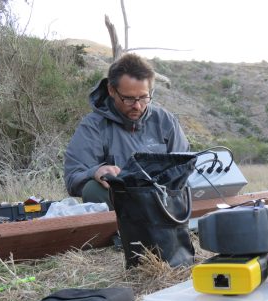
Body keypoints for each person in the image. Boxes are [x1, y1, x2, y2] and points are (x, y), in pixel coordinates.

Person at [64, 53, 190, 209]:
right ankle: (117, 233)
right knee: (93, 188)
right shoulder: (93, 126)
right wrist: (95, 171)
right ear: (111, 90)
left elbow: (187, 168)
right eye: (129, 98)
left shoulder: (165, 121)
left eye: (144, 97)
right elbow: (73, 177)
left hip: (164, 204)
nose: (137, 106)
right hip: (123, 207)